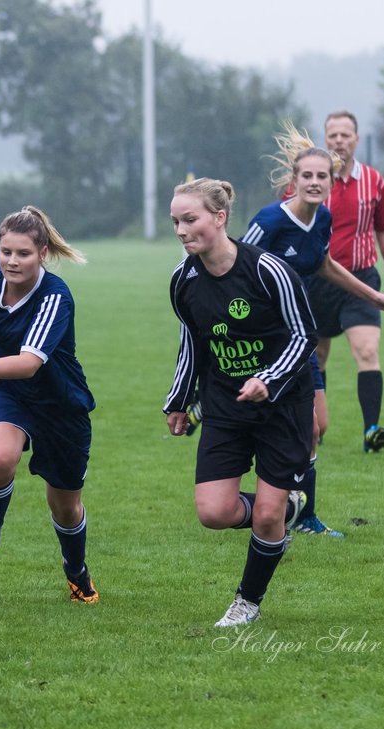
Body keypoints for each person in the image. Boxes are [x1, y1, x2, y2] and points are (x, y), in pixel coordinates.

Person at [241, 123, 384, 536]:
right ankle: (282, 507)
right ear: (294, 182)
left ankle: (303, 515)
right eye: (308, 176)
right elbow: (239, 272)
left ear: (331, 182)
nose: (315, 183)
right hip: (269, 342)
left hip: (301, 336)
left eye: (322, 177)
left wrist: (377, 297)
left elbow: (324, 265)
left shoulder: (323, 219)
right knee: (290, 428)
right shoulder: (269, 221)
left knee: (318, 426)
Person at [163, 178, 315, 628]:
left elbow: (305, 335)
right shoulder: (183, 279)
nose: (181, 230)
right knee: (214, 513)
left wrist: (267, 379)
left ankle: (246, 601)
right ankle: (287, 510)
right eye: (175, 221)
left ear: (220, 217)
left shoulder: (267, 270)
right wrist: (178, 400)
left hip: (281, 405)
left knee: (265, 516)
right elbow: (193, 341)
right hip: (225, 406)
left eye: (190, 219)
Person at [0, 206, 98, 604]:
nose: (12, 261)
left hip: (60, 404)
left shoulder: (55, 297)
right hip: (7, 390)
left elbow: (30, 364)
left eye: (24, 254)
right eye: (6, 251)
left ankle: (76, 570)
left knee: (65, 507)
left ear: (42, 253)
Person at [307, 110, 384, 452]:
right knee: (316, 358)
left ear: (356, 140)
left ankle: (371, 432)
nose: (338, 141)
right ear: (325, 138)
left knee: (366, 350)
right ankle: (314, 429)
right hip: (316, 280)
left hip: (361, 280)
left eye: (345, 135)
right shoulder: (311, 181)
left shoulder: (373, 181)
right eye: (332, 135)